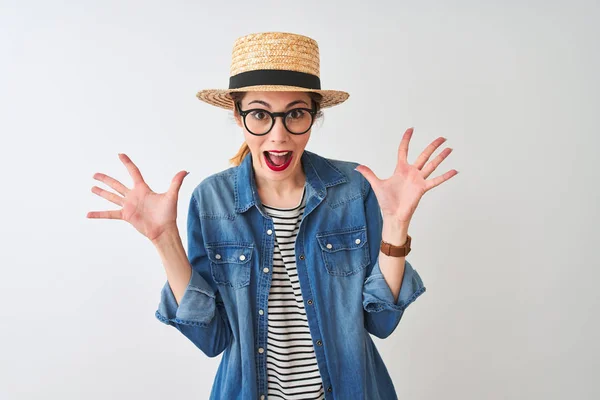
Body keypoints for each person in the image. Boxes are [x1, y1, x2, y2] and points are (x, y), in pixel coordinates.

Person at [88, 32, 457, 400]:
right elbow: (212, 338)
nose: (279, 135)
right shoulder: (212, 200)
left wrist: (396, 224)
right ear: (237, 115)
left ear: (314, 115)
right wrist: (163, 238)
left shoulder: (353, 191)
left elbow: (381, 322)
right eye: (260, 114)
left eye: (296, 113)